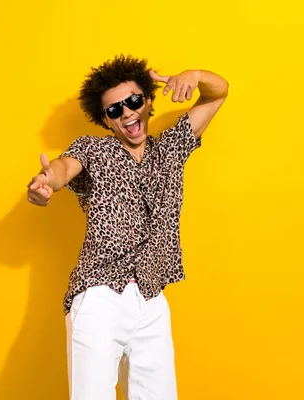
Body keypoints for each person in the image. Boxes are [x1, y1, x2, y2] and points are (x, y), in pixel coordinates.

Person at [26, 54, 229, 400]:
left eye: (134, 101)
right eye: (114, 110)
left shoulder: (170, 149)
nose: (127, 114)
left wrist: (194, 75)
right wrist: (46, 181)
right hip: (100, 295)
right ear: (105, 120)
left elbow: (219, 92)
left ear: (149, 101)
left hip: (151, 297)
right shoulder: (94, 149)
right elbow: (63, 167)